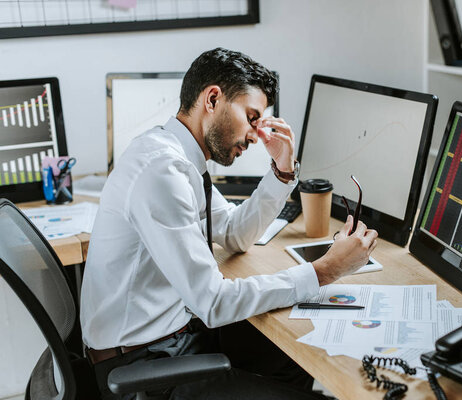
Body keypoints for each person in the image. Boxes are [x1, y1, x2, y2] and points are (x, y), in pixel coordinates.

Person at [80, 47, 378, 399]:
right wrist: (325, 270)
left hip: (174, 338)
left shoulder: (180, 158)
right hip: (143, 369)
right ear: (212, 99)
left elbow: (235, 234)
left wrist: (282, 173)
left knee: (291, 357)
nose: (256, 134)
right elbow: (214, 301)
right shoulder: (161, 171)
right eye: (252, 117)